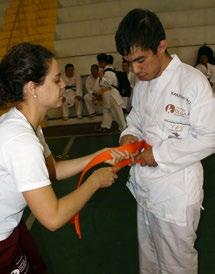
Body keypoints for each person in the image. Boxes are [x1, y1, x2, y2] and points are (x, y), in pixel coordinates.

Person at [0, 42, 129, 274]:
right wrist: (95, 181)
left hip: (11, 227)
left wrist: (99, 156)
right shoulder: (20, 140)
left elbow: (53, 170)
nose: (63, 85)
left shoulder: (27, 125)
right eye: (56, 79)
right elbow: (53, 217)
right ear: (32, 88)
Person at [115, 8, 215, 274]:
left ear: (161, 46)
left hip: (176, 195)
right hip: (145, 190)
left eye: (140, 60)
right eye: (129, 62)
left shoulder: (192, 82)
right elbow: (135, 118)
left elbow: (210, 137)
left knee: (176, 266)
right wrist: (129, 135)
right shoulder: (142, 83)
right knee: (149, 262)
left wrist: (157, 155)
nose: (135, 70)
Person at [96, 53, 126, 132]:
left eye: (99, 62)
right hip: (107, 93)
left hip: (112, 93)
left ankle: (124, 128)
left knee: (117, 111)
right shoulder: (106, 71)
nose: (98, 64)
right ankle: (105, 126)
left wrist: (102, 77)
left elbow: (108, 84)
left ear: (103, 62)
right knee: (107, 110)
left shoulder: (109, 72)